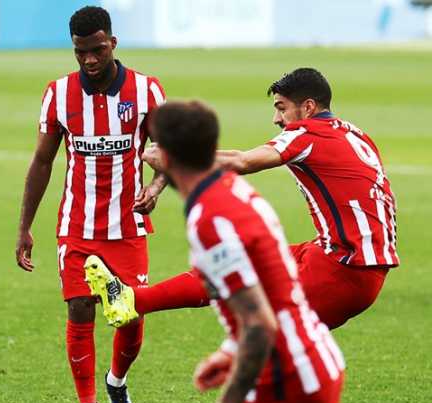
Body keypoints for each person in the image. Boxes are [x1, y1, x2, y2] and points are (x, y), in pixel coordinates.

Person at [88, 100, 344, 403]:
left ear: (166, 159)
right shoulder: (232, 190)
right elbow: (263, 289)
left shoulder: (212, 219)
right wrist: (230, 350)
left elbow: (260, 325)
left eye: (154, 147)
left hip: (284, 377)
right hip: (316, 361)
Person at [91, 68, 398, 332]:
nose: (276, 119)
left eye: (281, 108)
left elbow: (242, 161)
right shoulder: (352, 132)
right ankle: (131, 299)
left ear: (308, 107)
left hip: (347, 269)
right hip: (338, 254)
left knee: (264, 340)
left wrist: (176, 159)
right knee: (229, 264)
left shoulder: (307, 133)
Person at [14, 6, 167, 403]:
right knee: (79, 306)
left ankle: (116, 381)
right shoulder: (58, 94)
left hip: (127, 225)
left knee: (129, 315)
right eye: (81, 52)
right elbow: (42, 162)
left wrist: (156, 187)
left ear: (113, 43)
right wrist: (25, 226)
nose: (90, 60)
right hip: (76, 225)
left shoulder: (146, 90)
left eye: (98, 49)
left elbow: (168, 151)